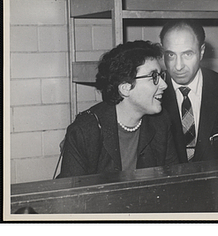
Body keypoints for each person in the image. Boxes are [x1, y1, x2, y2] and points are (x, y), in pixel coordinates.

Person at [58, 40, 178, 178]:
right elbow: (73, 195)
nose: (164, 85)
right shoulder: (84, 131)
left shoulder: (161, 123)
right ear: (125, 88)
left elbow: (172, 184)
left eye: (161, 75)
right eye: (154, 77)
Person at [160, 20, 218, 163]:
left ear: (202, 51)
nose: (178, 66)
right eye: (171, 55)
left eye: (187, 54)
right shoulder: (153, 94)